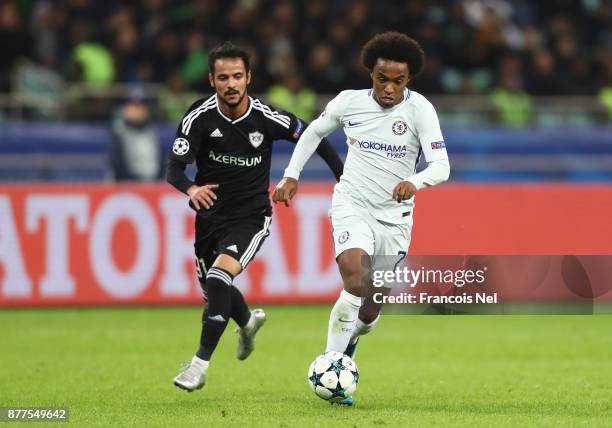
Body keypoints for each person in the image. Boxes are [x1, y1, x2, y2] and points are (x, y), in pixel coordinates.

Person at [273, 32, 450, 405]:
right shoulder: (348, 103)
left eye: (397, 81)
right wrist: (291, 174)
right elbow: (313, 132)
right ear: (370, 72)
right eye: (381, 78)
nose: (388, 88)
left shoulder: (420, 110)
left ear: (409, 80)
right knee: (355, 279)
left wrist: (414, 181)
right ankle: (331, 367)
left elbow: (442, 166)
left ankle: (350, 342)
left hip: (395, 220)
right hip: (352, 205)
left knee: (368, 315)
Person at [167, 41, 343, 392]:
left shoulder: (266, 116)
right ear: (211, 80)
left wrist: (343, 177)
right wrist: (191, 189)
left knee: (218, 278)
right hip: (209, 218)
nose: (230, 84)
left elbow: (314, 135)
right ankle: (246, 323)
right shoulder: (198, 117)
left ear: (248, 77)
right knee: (214, 289)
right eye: (222, 78)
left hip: (251, 216)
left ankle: (198, 367)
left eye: (236, 76)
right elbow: (174, 169)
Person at [109, 89, 163, 181]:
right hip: (127, 188)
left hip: (153, 187)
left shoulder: (152, 132)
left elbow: (161, 163)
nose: (139, 110)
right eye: (135, 106)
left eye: (142, 106)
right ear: (125, 109)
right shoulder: (118, 132)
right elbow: (118, 166)